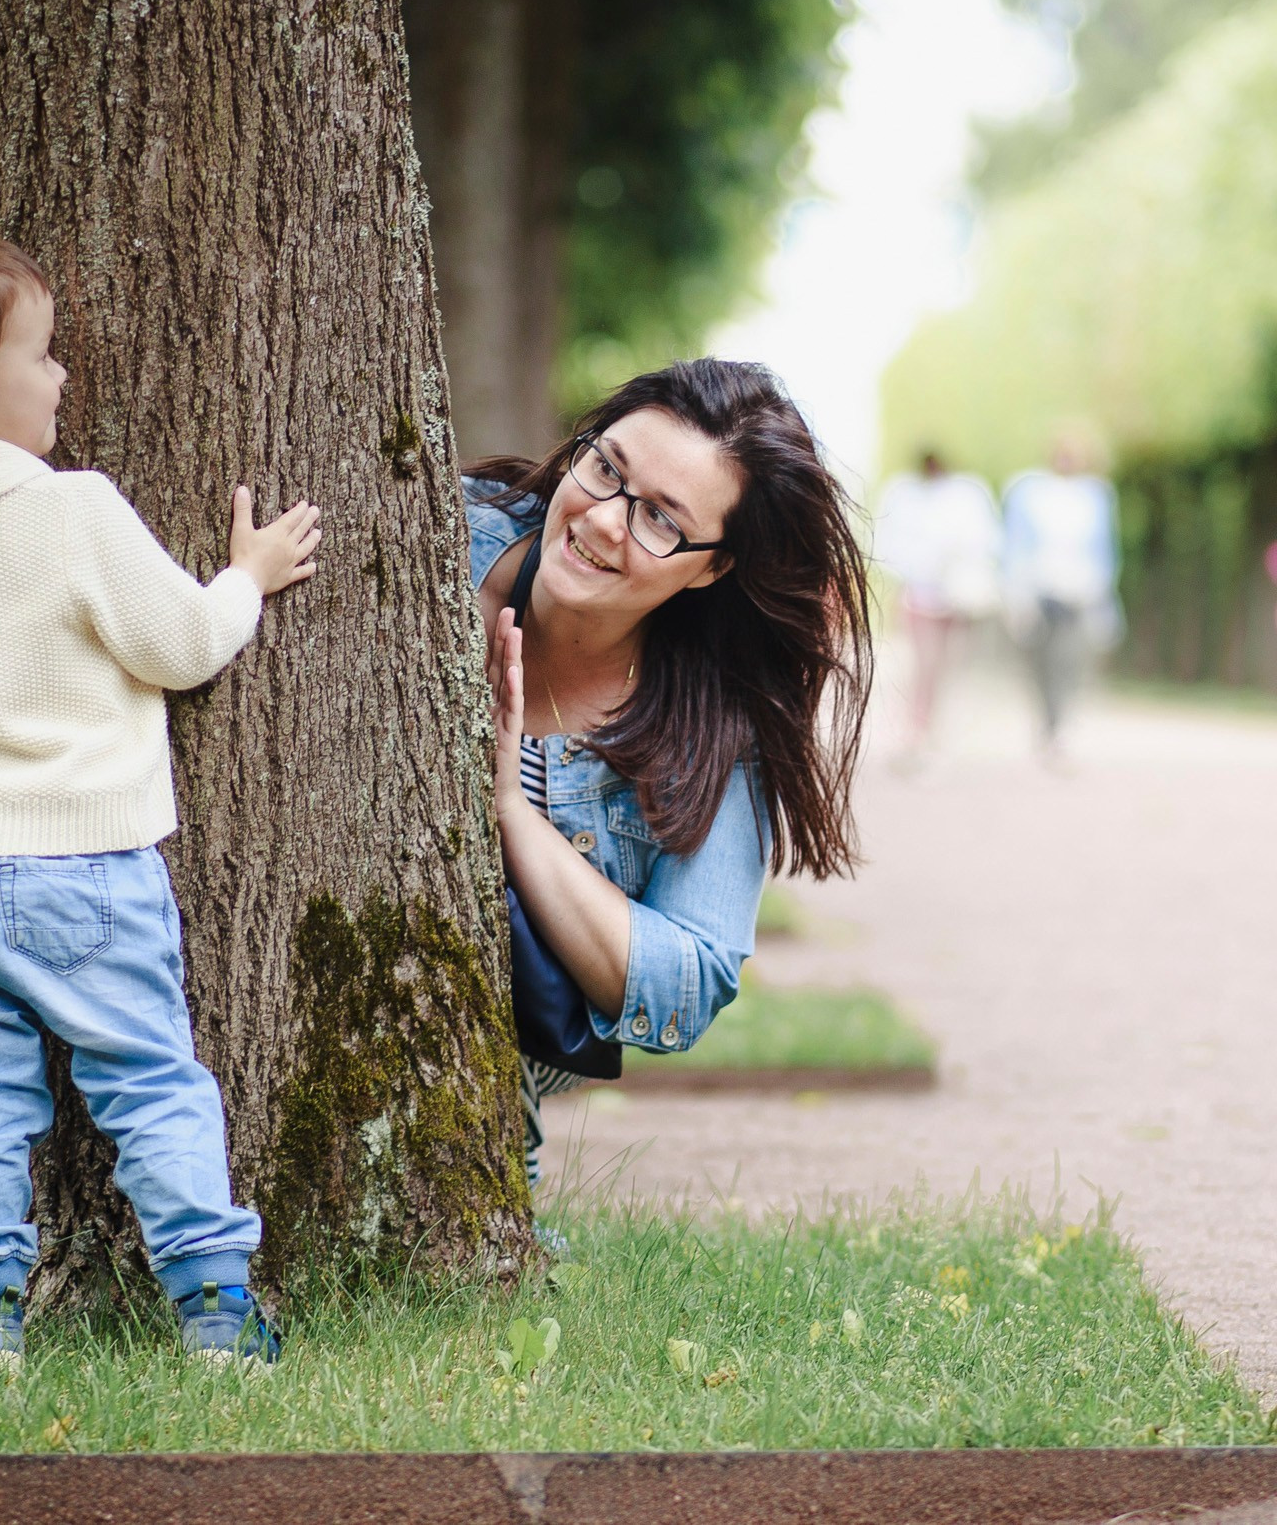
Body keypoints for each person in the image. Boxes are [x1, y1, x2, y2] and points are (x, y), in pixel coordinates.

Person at [0, 228, 321, 1370]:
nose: (60, 378)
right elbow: (182, 642)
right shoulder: (71, 509)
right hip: (81, 869)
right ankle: (214, 1308)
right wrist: (243, 578)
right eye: (41, 357)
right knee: (147, 1081)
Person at [465, 360, 871, 1181]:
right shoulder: (433, 546)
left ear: (713, 566)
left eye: (660, 519)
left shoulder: (716, 729)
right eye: (607, 467)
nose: (603, 521)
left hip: (475, 1122)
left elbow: (687, 983)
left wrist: (511, 808)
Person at [874, 451, 1001, 762]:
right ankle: (916, 727)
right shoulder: (904, 495)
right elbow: (890, 546)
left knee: (945, 663)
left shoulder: (966, 495)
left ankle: (932, 725)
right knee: (925, 663)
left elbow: (985, 540)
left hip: (955, 596)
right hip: (920, 596)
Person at [1001, 433, 1119, 764]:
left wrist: (1104, 595)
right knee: (1040, 663)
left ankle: (1062, 726)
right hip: (1039, 591)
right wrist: (1015, 592)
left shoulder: (1096, 495)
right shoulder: (1029, 491)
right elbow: (1015, 543)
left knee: (1070, 660)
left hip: (1079, 592)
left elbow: (1105, 547)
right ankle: (1047, 722)